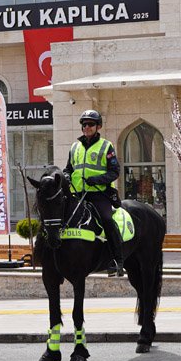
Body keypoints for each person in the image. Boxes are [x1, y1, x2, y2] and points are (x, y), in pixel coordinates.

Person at [63, 110, 124, 276]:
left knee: (106, 220)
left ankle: (117, 260)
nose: (87, 127)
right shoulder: (74, 146)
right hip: (77, 195)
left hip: (98, 194)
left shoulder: (106, 146)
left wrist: (96, 180)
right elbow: (68, 168)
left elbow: (114, 172)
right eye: (84, 124)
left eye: (90, 124)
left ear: (98, 126)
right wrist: (67, 175)